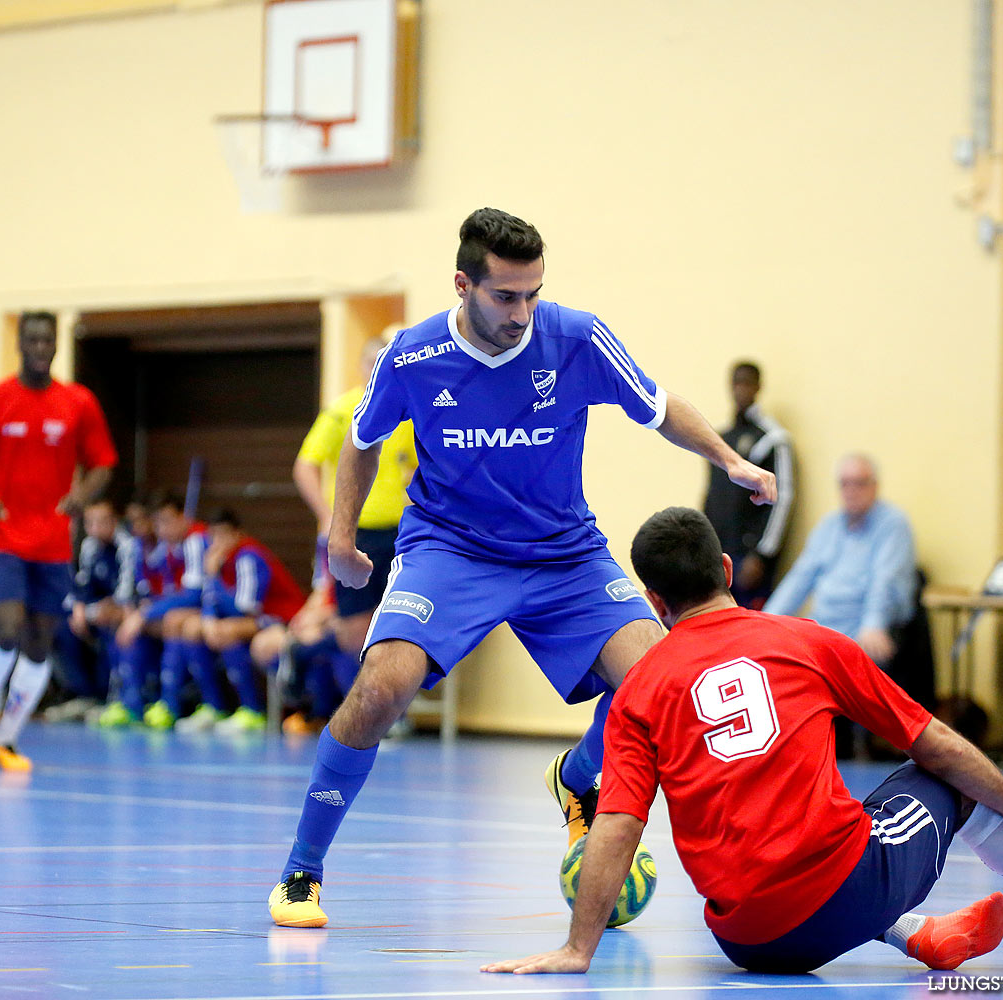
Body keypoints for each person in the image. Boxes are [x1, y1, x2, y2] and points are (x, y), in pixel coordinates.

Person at [268, 207, 775, 927]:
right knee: (381, 688)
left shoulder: (575, 337)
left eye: (534, 292)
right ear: (463, 286)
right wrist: (341, 539)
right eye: (506, 295)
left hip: (565, 555)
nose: (523, 311)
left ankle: (576, 776)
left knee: (657, 683)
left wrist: (730, 460)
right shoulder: (412, 358)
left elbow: (658, 407)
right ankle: (301, 870)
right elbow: (359, 441)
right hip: (450, 551)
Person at [482, 507, 1003, 977]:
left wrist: (579, 947)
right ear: (727, 569)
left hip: (743, 939)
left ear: (654, 602)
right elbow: (935, 743)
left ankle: (921, 934)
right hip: (837, 898)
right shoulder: (806, 642)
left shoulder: (637, 691)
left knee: (814, 825)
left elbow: (619, 823)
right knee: (942, 777)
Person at [0, 310, 117, 771]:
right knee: (6, 630)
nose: (40, 346)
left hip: (52, 541)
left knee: (39, 644)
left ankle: (6, 740)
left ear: (56, 345)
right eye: (32, 338)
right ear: (20, 344)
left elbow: (103, 462)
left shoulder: (78, 403)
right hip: (3, 534)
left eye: (48, 339)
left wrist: (79, 497)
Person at [292, 335, 418, 716]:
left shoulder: (408, 411)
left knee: (396, 625)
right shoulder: (343, 409)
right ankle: (351, 703)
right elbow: (305, 465)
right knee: (353, 630)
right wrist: (330, 518)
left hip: (400, 534)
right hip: (357, 532)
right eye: (374, 363)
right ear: (364, 367)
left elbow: (415, 469)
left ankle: (390, 712)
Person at [763, 453, 916, 669]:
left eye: (860, 483)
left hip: (864, 630)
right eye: (845, 484)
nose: (851, 491)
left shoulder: (893, 524)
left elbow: (885, 579)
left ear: (875, 486)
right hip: (824, 628)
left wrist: (874, 624)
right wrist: (766, 620)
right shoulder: (829, 526)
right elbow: (800, 577)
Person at [177, 508, 307, 734]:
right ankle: (213, 706)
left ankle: (252, 710)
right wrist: (208, 619)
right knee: (194, 629)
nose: (219, 542)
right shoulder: (221, 561)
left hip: (283, 618)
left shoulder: (248, 556)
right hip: (253, 619)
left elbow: (245, 608)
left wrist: (212, 576)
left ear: (238, 534)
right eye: (214, 536)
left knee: (226, 632)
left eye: (224, 535)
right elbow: (211, 601)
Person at [96, 494, 206, 729]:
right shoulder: (160, 548)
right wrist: (142, 610)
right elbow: (157, 592)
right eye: (158, 523)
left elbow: (194, 594)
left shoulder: (196, 540)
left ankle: (171, 704)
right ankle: (130, 703)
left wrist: (145, 613)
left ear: (182, 518)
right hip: (175, 610)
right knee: (124, 621)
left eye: (166, 521)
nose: (161, 528)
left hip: (204, 612)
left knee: (170, 622)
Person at [701, 361, 794, 608]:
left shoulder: (772, 439)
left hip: (750, 560)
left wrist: (761, 554)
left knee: (752, 630)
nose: (741, 389)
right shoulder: (722, 438)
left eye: (747, 383)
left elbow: (782, 498)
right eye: (736, 383)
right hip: (720, 555)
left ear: (758, 387)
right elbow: (712, 496)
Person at [47, 498, 130, 721]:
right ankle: (84, 694)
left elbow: (127, 589)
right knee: (62, 626)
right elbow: (83, 585)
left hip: (123, 609)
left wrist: (112, 606)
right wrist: (79, 609)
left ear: (115, 521)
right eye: (90, 522)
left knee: (108, 625)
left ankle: (112, 697)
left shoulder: (126, 545)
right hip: (97, 608)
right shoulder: (90, 546)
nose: (96, 528)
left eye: (102, 521)